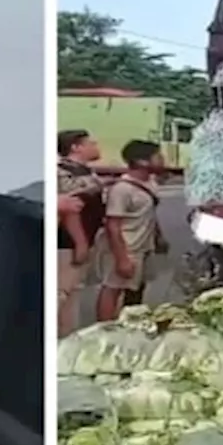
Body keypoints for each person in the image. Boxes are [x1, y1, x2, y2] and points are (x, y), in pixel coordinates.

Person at [95, 140, 168, 323]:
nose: (162, 160)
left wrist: (159, 237)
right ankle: (104, 330)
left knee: (136, 288)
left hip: (143, 247)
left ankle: (128, 323)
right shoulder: (122, 189)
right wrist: (121, 259)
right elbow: (113, 225)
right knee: (113, 288)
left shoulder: (150, 183)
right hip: (125, 246)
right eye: (157, 157)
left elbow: (149, 213)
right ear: (142, 161)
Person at [57, 129, 104, 337]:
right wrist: (81, 243)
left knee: (72, 294)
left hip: (81, 241)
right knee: (61, 294)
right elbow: (71, 210)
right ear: (76, 147)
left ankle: (64, 340)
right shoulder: (66, 174)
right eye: (90, 143)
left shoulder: (84, 172)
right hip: (68, 244)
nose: (96, 146)